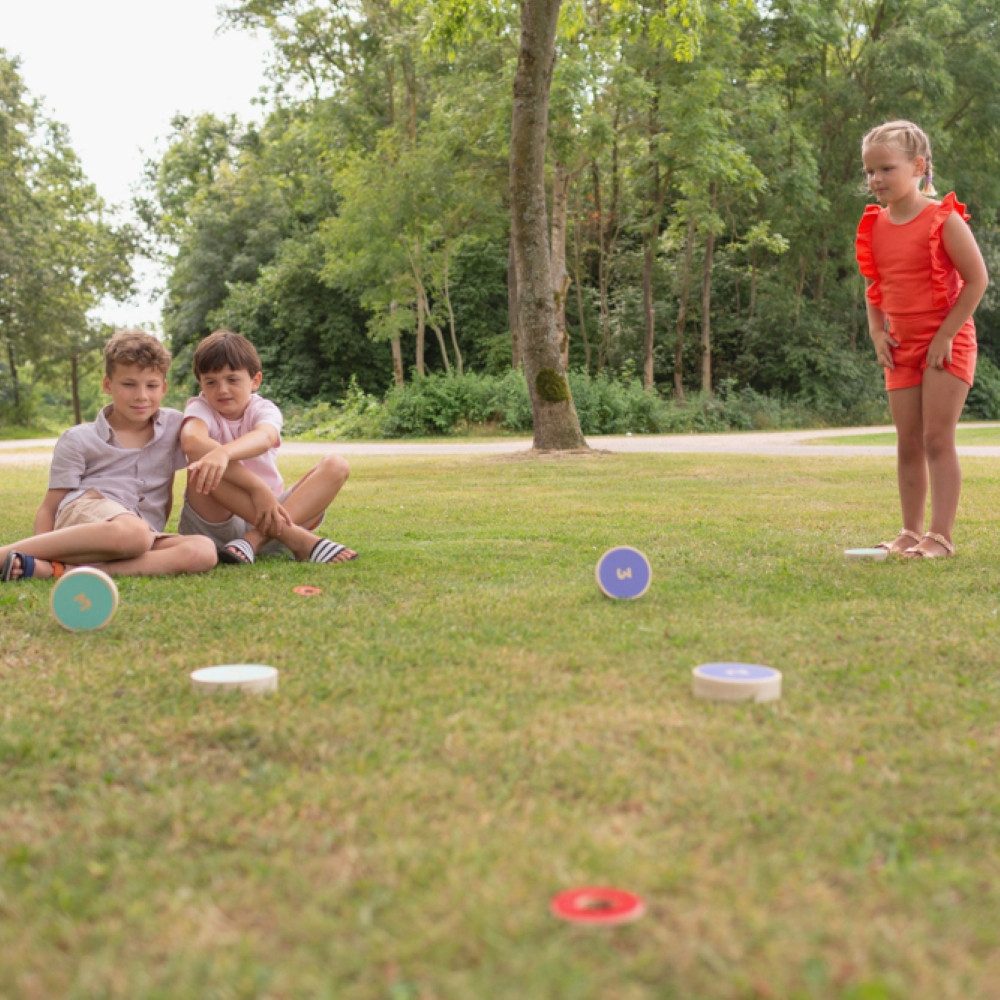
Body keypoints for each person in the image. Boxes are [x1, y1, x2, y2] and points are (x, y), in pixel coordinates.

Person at [855, 120, 989, 558]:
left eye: (886, 169)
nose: (875, 180)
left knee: (936, 439)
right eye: (869, 171)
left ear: (918, 166)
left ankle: (941, 537)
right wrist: (877, 332)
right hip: (901, 347)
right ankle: (910, 532)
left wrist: (946, 335)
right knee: (907, 441)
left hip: (946, 343)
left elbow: (976, 280)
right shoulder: (873, 225)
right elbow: (874, 286)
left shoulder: (942, 219)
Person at [1, 330, 218, 582]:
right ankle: (5, 555)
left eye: (151, 385)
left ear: (164, 388)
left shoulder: (175, 427)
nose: (141, 396)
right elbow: (49, 508)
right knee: (133, 533)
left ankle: (63, 573)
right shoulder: (79, 439)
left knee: (203, 550)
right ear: (107, 385)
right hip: (87, 519)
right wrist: (44, 549)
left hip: (141, 534)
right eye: (129, 384)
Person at [178, 329, 357, 565]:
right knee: (201, 466)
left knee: (337, 465)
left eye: (232, 379)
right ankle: (297, 539)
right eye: (211, 382)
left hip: (270, 513)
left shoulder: (264, 409)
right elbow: (191, 440)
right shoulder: (201, 407)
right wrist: (256, 488)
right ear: (201, 384)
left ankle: (254, 540)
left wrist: (223, 452)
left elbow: (264, 437)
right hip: (218, 526)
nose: (222, 390)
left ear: (255, 380)